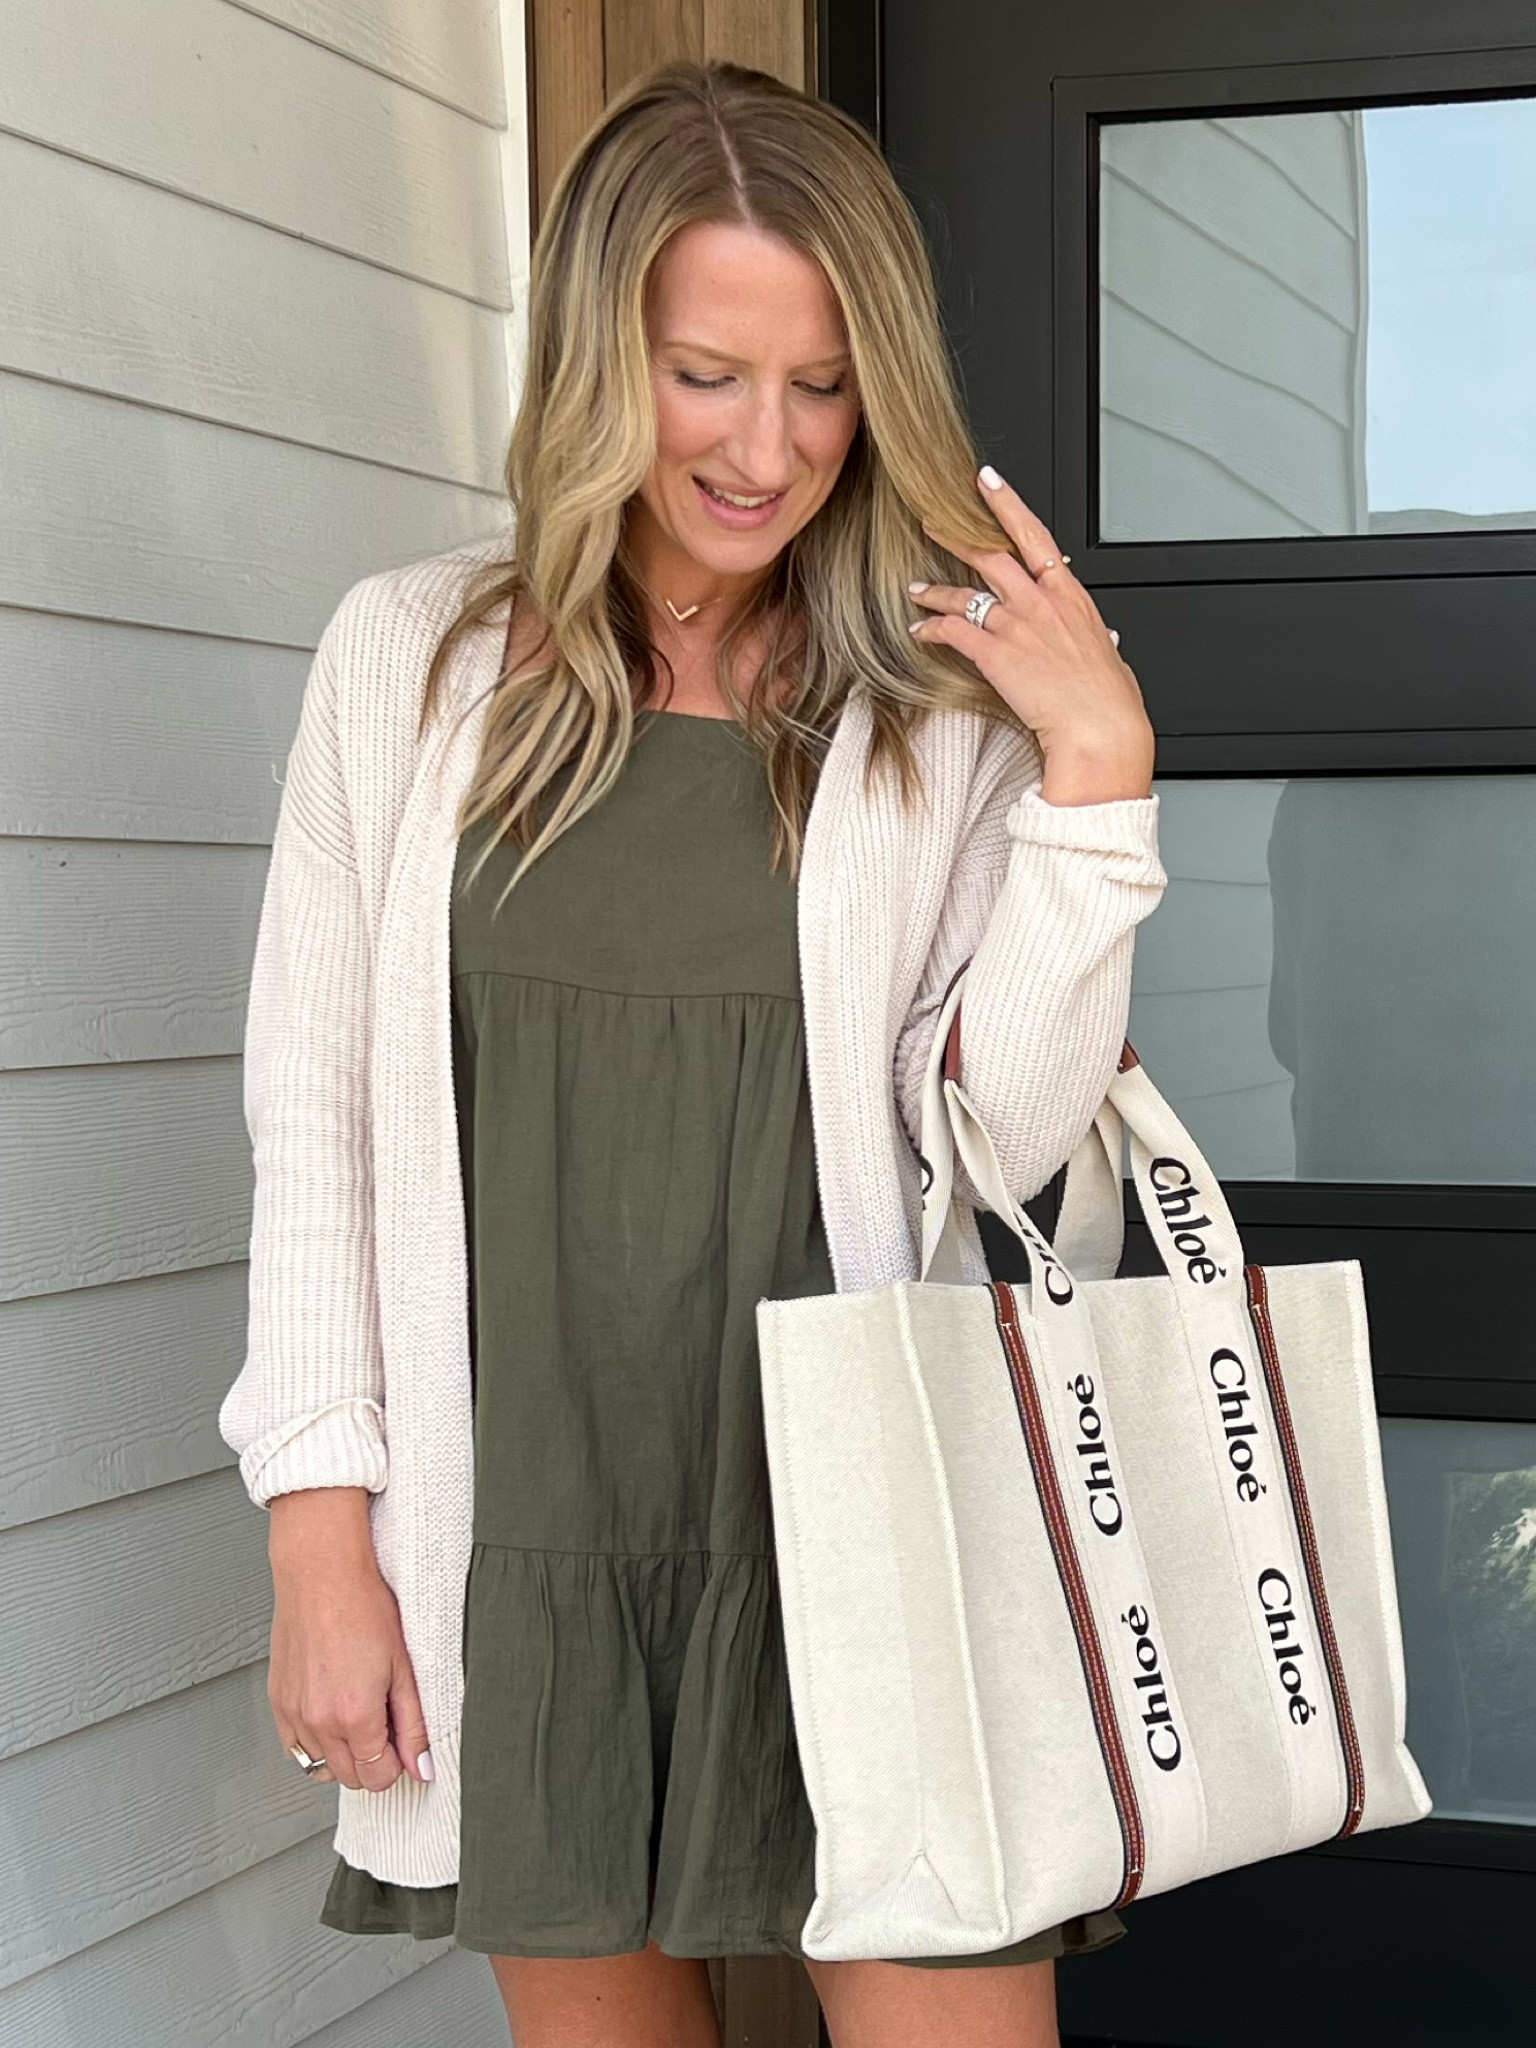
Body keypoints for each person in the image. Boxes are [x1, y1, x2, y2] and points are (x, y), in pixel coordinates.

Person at [218, 60, 1163, 2048]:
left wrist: (1095, 780)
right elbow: (316, 1128)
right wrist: (324, 1538)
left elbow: (1007, 1128)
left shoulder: (939, 718)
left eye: (823, 382)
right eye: (703, 371)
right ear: (591, 359)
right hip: (521, 1530)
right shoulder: (413, 664)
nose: (768, 443)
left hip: (863, 1518)